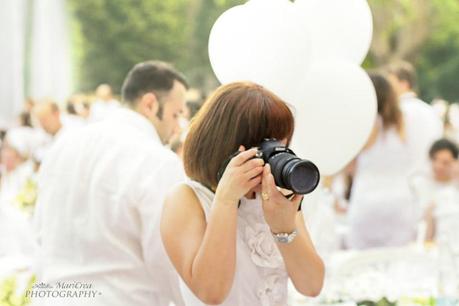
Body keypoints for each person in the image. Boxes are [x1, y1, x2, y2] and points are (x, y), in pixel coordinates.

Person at [33, 61, 188, 306]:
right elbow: (166, 258)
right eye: (176, 113)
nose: (178, 126)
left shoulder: (63, 146)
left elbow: (41, 231)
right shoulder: (158, 161)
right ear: (150, 104)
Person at [161, 82, 325, 306]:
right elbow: (212, 293)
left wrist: (284, 227)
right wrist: (226, 200)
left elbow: (312, 286)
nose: (275, 159)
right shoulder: (186, 199)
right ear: (227, 147)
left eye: (283, 146)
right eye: (268, 149)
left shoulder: (279, 198)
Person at [347, 72, 418, 249]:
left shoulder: (365, 125)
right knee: (399, 262)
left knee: (361, 264)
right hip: (400, 200)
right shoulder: (402, 122)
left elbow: (350, 166)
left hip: (367, 200)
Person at [388, 61, 443, 173]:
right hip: (429, 174)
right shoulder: (430, 111)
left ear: (404, 84)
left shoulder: (397, 111)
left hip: (404, 176)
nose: (387, 89)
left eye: (390, 84)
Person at [410, 138, 459, 242]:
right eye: (434, 160)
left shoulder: (455, 187)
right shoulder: (419, 183)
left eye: (445, 162)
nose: (438, 166)